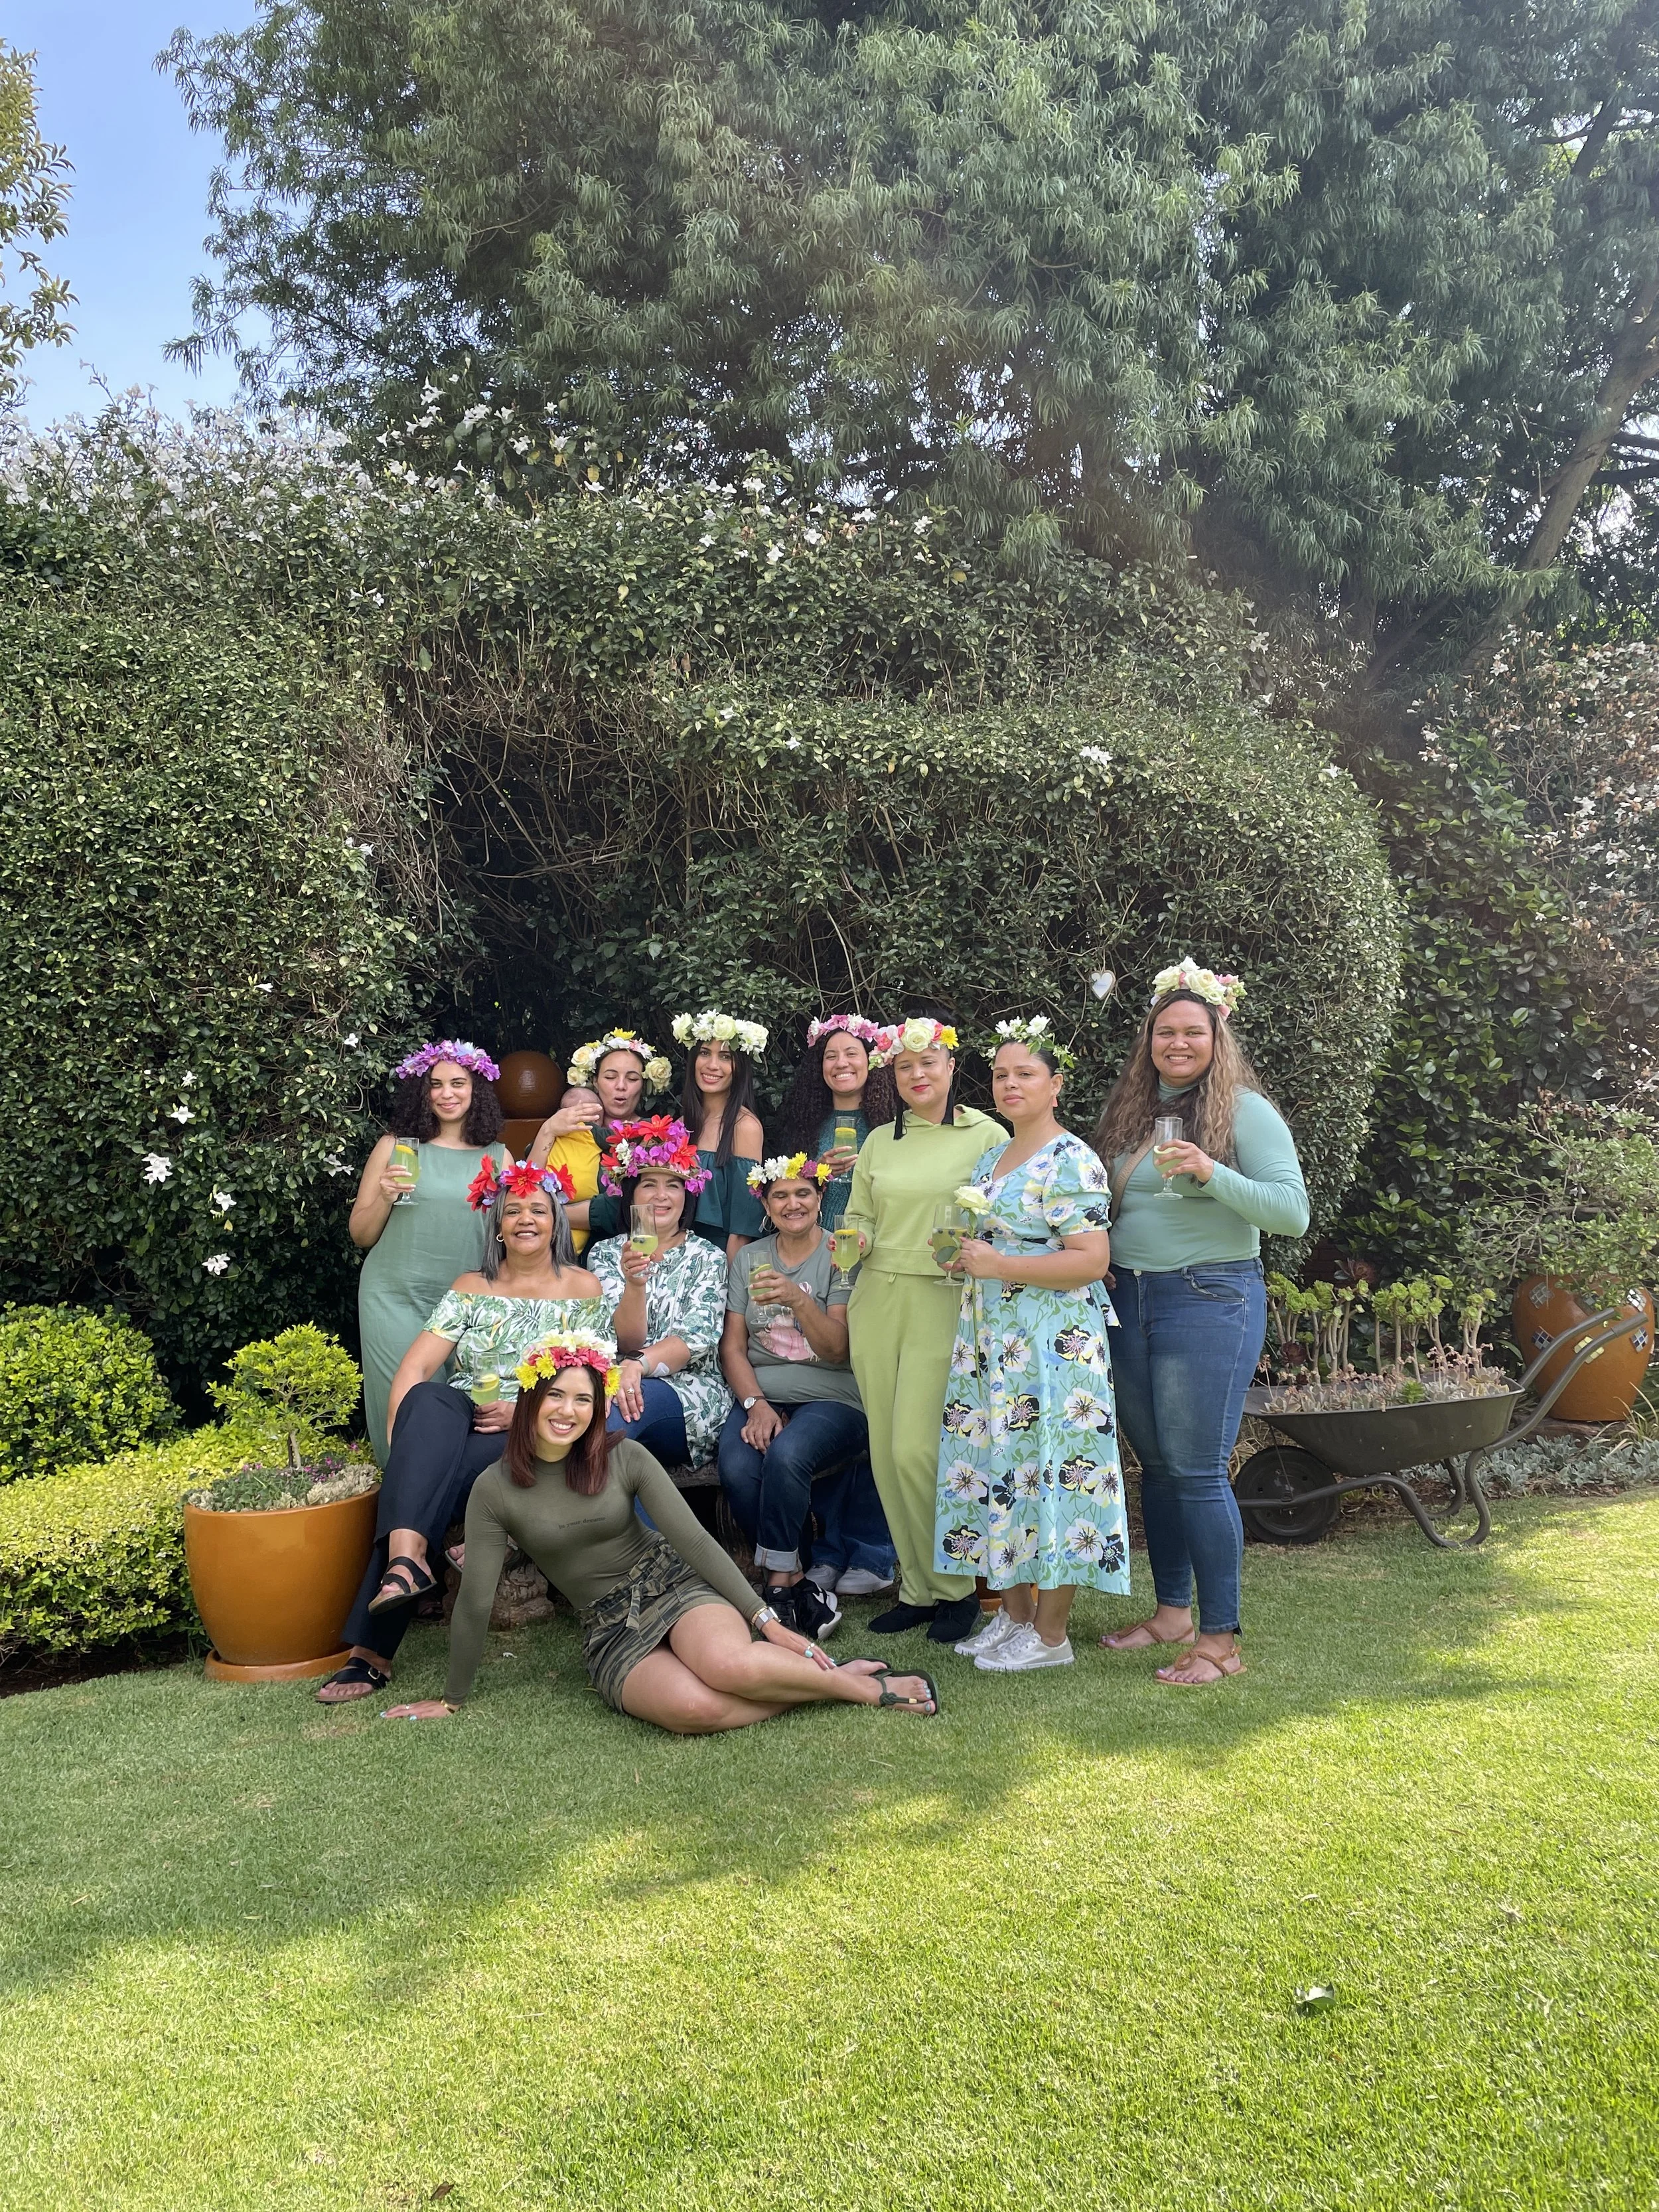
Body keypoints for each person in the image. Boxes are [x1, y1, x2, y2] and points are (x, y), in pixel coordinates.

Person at [382, 1335, 940, 1729]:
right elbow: (476, 1599)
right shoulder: (495, 1487)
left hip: (673, 1584)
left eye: (583, 1399)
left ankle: (857, 1687)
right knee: (696, 1708)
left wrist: (766, 1621)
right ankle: (817, 1683)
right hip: (609, 1627)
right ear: (530, 1398)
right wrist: (452, 1699)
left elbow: (693, 1540)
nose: (567, 1411)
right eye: (555, 1395)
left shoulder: (624, 1457)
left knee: (727, 1666)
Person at [1093, 958, 1309, 1687]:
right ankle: (1171, 1614)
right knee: (1156, 1467)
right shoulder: (1131, 1109)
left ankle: (1219, 1640)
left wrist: (1213, 1172)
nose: (1177, 1044)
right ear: (1147, 1040)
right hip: (1129, 1300)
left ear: (1218, 1038)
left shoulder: (1245, 1111)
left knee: (1195, 1470)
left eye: (1192, 1032)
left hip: (1209, 1298)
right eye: (1165, 1032)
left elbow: (1291, 1212)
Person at [317, 1160, 607, 1703]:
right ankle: (407, 1560)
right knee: (429, 1398)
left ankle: (371, 1651)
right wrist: (403, 1447)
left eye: (538, 1210)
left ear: (555, 1223)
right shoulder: (471, 1287)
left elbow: (593, 1380)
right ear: (497, 1226)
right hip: (464, 1424)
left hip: (538, 1431)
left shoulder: (582, 1288)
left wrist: (524, 1409)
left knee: (422, 1487)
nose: (525, 1219)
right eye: (513, 1211)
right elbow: (415, 1368)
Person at [933, 1019, 1124, 1674]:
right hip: (993, 1339)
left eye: (1026, 1073)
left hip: (1053, 1343)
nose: (1010, 1084)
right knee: (999, 1468)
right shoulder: (993, 1158)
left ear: (1055, 1084)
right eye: (1001, 1074)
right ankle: (1014, 1618)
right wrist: (965, 1257)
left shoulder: (1072, 1158)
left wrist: (1000, 1265)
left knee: (1055, 1473)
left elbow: (1091, 1259)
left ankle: (1050, 1635)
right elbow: (995, 1245)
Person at [841, 1012, 1006, 1643]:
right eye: (905, 1066)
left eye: (927, 1063)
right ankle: (916, 1588)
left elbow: (1006, 1215)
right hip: (877, 1300)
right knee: (886, 1454)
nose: (917, 1074)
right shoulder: (879, 1142)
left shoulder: (986, 1134)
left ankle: (958, 1588)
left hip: (946, 1298)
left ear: (950, 1067)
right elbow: (858, 1215)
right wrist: (855, 1239)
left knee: (921, 1450)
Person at [717, 1154, 888, 1641]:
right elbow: (732, 1348)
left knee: (788, 1454)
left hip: (832, 1397)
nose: (792, 1204)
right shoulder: (749, 1258)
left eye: (802, 1193)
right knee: (737, 1465)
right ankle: (798, 1578)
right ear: (766, 1205)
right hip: (762, 1396)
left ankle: (776, 1585)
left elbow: (837, 1349)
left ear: (819, 1197)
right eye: (780, 1196)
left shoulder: (840, 1253)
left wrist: (796, 1297)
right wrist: (755, 1405)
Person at [350, 1039, 508, 1465]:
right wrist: (385, 1197)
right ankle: (403, 1498)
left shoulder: (498, 1157)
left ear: (476, 1089)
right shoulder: (395, 1147)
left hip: (464, 1305)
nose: (446, 1093)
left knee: (460, 1406)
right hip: (393, 1297)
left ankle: (454, 1498)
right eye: (435, 1084)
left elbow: (516, 1232)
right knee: (403, 1406)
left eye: (458, 1083)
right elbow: (361, 1234)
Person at [585, 1118, 733, 1467]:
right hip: (618, 1381)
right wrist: (635, 1284)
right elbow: (625, 1341)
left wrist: (638, 1365)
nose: (661, 1196)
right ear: (631, 1194)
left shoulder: (708, 1257)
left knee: (609, 1425)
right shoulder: (605, 1254)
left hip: (690, 1391)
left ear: (687, 1196)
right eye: (649, 1184)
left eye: (674, 1185)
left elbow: (697, 1339)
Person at [541, 1029, 674, 1246]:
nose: (621, 1086)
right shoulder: (568, 1128)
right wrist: (547, 1131)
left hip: (635, 1251)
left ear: (644, 1085)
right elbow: (528, 1183)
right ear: (595, 1081)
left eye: (632, 1078)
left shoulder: (655, 1134)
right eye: (610, 1077)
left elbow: (626, 1208)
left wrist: (546, 1215)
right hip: (560, 1252)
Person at [776, 1015, 897, 1232]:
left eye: (851, 1054)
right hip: (815, 1242)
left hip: (877, 1241)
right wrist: (816, 1173)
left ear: (870, 1060)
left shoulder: (891, 1123)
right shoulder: (803, 1123)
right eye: (831, 1056)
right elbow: (782, 1193)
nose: (841, 1063)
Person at [671, 1007, 768, 1254]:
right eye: (705, 1053)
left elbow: (743, 1229)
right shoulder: (681, 1125)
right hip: (676, 1255)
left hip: (720, 1257)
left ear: (740, 1067)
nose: (712, 1065)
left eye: (725, 1056)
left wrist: (729, 1277)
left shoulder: (744, 1127)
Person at [526, 1082, 603, 1253]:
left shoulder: (596, 1137)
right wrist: (548, 1130)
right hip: (545, 1209)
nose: (578, 1122)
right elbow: (528, 1178)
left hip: (583, 1215)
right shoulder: (551, 1137)